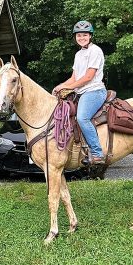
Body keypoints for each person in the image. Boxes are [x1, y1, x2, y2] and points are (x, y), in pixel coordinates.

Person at [52, 21, 107, 165]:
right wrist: (61, 86)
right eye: (78, 35)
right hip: (82, 92)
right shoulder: (78, 54)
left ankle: (97, 153)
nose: (81, 38)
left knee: (82, 118)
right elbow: (74, 78)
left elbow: (88, 77)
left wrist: (69, 88)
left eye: (84, 35)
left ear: (90, 36)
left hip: (94, 91)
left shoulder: (95, 51)